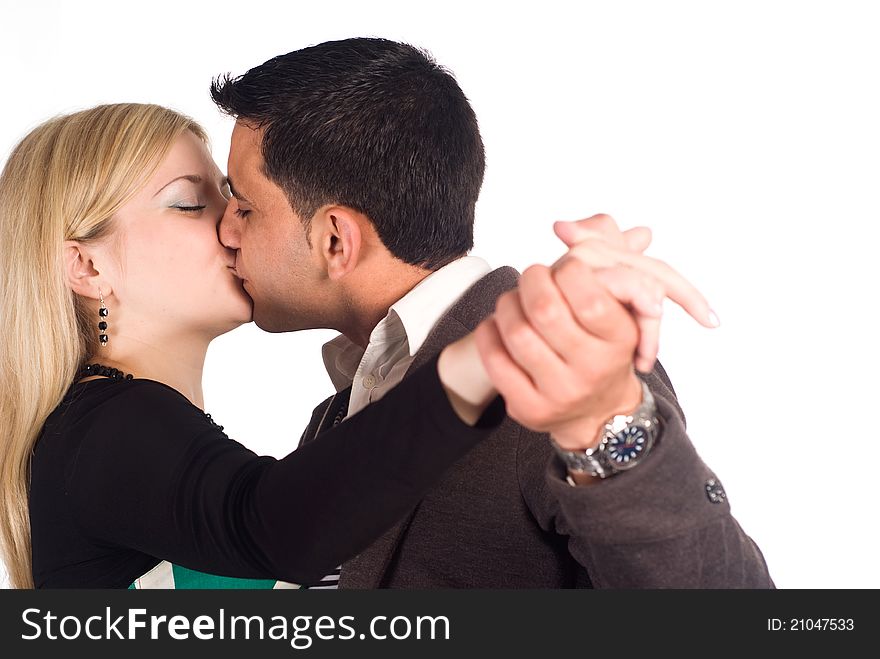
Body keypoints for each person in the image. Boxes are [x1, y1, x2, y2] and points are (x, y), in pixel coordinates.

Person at [211, 37, 774, 588]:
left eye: (244, 204)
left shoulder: (554, 357)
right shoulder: (347, 406)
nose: (225, 230)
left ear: (336, 241)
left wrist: (607, 419)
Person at [0, 103, 628, 589]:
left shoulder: (121, 430)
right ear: (86, 268)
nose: (231, 223)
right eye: (190, 203)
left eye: (234, 197)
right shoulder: (111, 426)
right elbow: (279, 525)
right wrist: (490, 351)